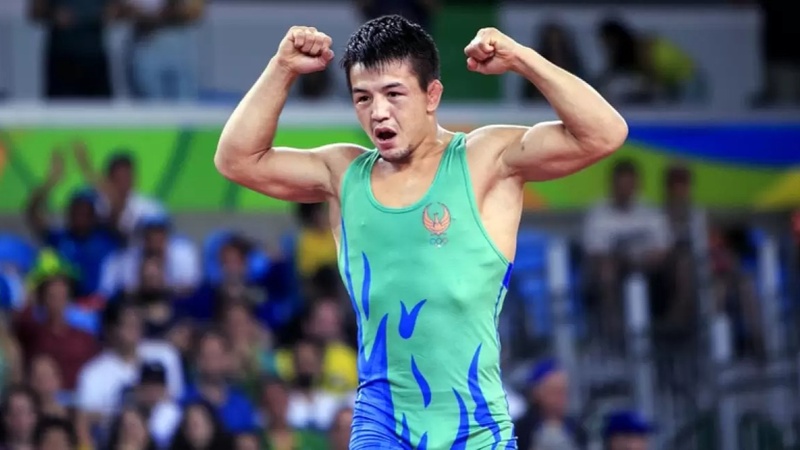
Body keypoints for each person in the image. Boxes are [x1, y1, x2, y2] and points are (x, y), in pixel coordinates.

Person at [215, 15, 627, 449]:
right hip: (381, 427)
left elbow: (605, 133)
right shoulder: (344, 173)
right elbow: (237, 160)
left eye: (394, 94)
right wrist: (281, 68)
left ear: (432, 95)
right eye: (362, 98)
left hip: (477, 431)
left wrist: (522, 59)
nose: (378, 112)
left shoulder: (485, 159)